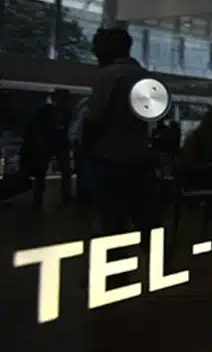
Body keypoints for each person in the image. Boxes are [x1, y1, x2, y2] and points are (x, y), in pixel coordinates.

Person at [82, 26, 156, 240]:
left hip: (109, 157)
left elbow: (95, 117)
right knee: (143, 215)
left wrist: (85, 147)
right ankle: (155, 254)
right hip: (138, 156)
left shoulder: (107, 76)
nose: (94, 51)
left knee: (110, 219)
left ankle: (113, 258)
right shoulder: (144, 75)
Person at [19, 89, 73, 208]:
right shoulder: (47, 112)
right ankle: (41, 197)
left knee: (58, 171)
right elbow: (37, 129)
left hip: (57, 144)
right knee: (43, 172)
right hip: (50, 144)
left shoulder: (63, 113)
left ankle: (46, 197)